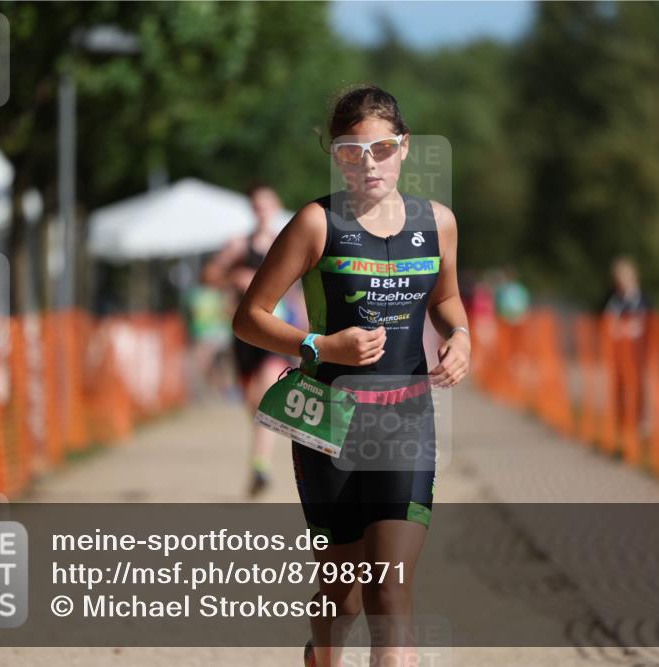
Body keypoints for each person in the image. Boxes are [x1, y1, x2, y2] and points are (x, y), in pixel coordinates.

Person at [232, 84, 471, 667]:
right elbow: (249, 319)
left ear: (405, 147)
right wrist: (321, 343)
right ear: (335, 155)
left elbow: (448, 301)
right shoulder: (315, 223)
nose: (369, 164)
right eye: (350, 151)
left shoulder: (437, 223)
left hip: (406, 420)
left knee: (390, 594)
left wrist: (461, 336)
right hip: (330, 423)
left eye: (382, 149)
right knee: (343, 598)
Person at [203, 184, 295, 498]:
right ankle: (258, 464)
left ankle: (261, 466)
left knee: (265, 395)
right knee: (253, 404)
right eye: (256, 205)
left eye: (266, 205)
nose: (261, 210)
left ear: (276, 206)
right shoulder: (239, 245)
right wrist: (233, 278)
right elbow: (209, 274)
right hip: (245, 334)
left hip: (278, 330)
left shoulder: (289, 241)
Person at [601, 256, 653, 432]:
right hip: (619, 350)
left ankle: (640, 417)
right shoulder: (615, 301)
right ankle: (621, 418)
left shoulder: (643, 300)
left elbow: (650, 321)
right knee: (620, 384)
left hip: (637, 348)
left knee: (638, 382)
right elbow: (609, 321)